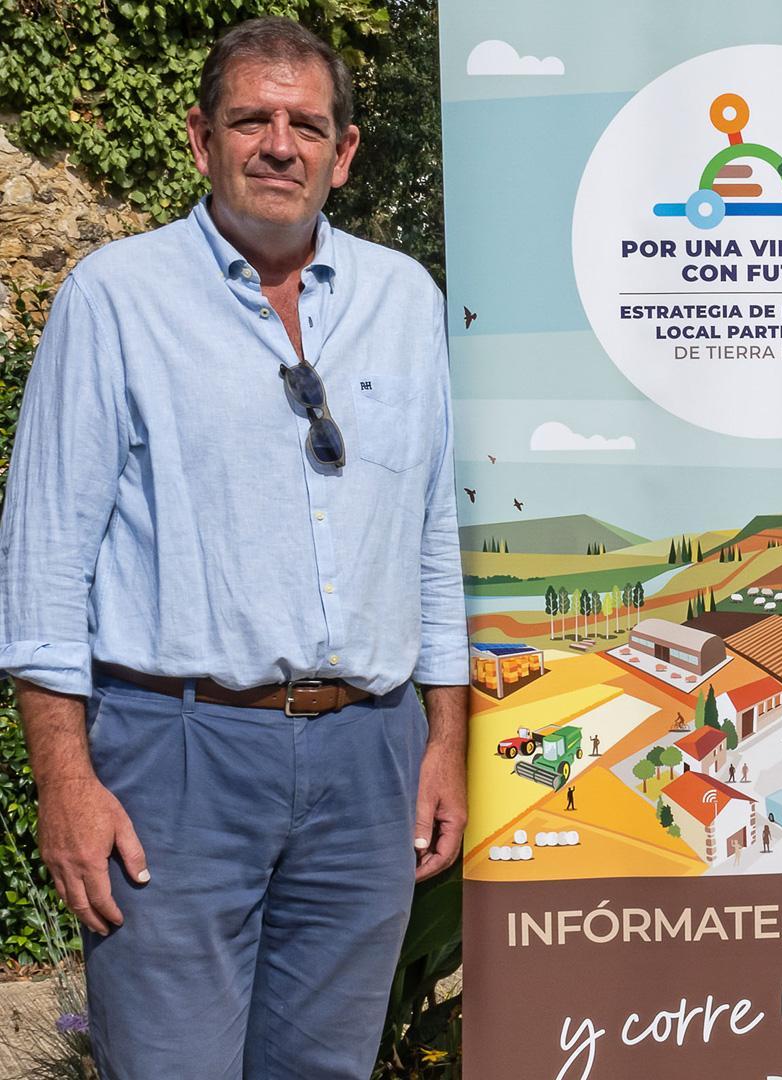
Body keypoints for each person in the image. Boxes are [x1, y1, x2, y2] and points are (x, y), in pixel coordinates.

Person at [0, 18, 466, 1078]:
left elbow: (432, 534)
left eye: (306, 123)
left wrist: (443, 740)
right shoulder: (116, 299)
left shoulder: (406, 302)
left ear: (344, 153)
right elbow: (41, 566)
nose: (279, 144)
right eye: (250, 118)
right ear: (202, 141)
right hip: (178, 754)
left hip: (369, 759)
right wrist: (64, 780)